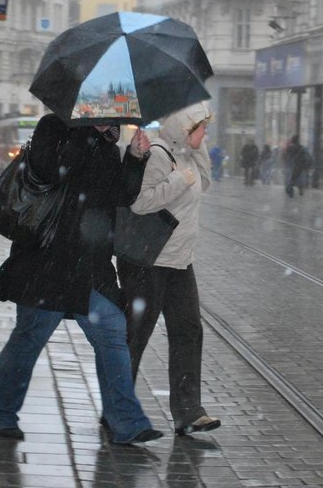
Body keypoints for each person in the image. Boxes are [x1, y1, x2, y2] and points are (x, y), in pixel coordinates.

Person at [0, 114, 162, 445]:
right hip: (47, 260)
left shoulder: (110, 139)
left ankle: (126, 422)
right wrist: (87, 135)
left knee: (112, 333)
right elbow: (50, 171)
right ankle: (0, 412)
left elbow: (120, 196)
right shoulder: (53, 127)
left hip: (91, 265)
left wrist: (135, 159)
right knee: (29, 338)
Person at [116, 103, 221, 436]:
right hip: (149, 263)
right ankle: (117, 409)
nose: (206, 134)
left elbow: (204, 181)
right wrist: (177, 180)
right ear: (183, 128)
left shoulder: (188, 154)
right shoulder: (159, 155)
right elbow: (140, 201)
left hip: (179, 261)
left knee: (188, 331)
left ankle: (189, 412)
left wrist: (195, 143)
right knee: (136, 336)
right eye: (201, 129)